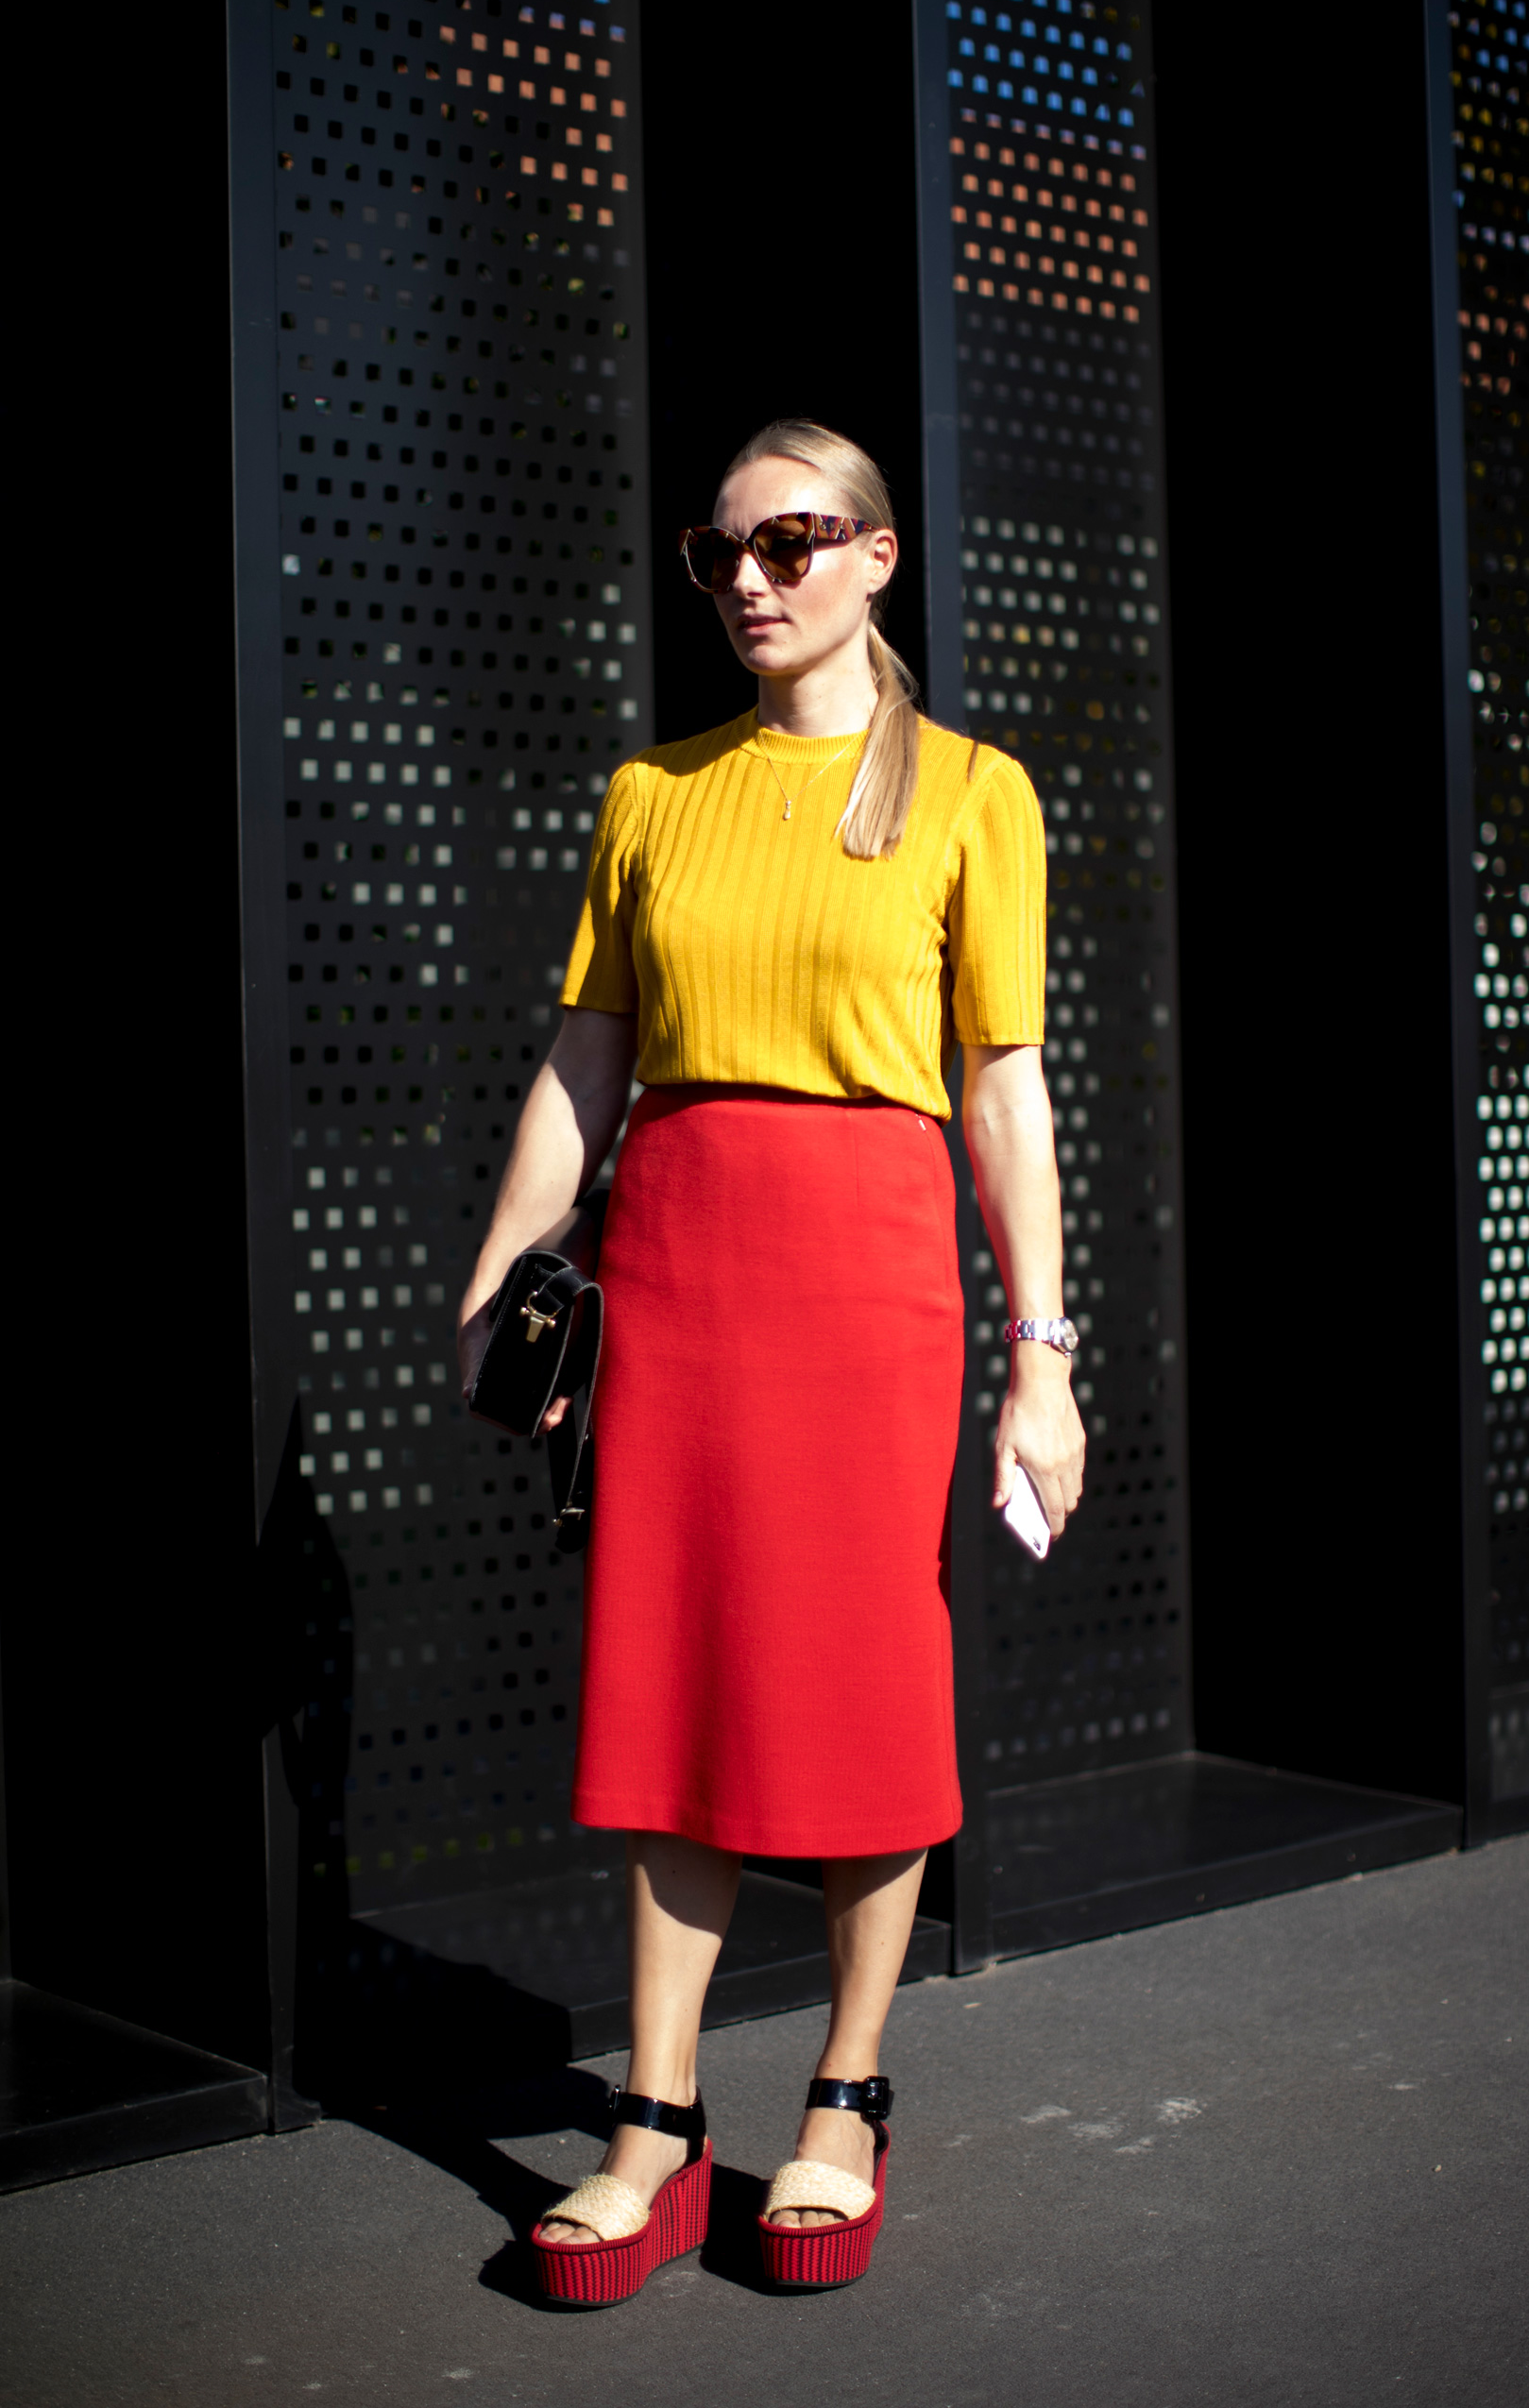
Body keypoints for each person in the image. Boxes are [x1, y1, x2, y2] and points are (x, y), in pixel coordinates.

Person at [456, 419, 1085, 2304]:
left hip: (870, 1276)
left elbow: (1004, 1092)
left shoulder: (971, 791)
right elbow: (588, 1060)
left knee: (862, 1681)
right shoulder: (652, 792)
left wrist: (1043, 1355)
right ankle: (655, 2124)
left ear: (877, 556)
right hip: (678, 1266)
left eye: (791, 541)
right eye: (718, 550)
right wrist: (501, 1266)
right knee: (670, 1678)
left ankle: (845, 2092)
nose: (748, 577)